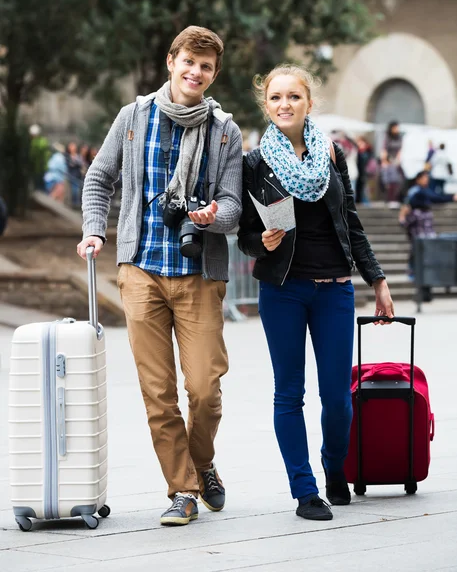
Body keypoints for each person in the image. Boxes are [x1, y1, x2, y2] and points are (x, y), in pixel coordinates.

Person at [77, 26, 243, 527]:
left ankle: (202, 461)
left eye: (206, 67)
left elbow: (235, 207)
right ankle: (183, 489)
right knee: (158, 391)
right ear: (171, 62)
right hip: (141, 270)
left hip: (198, 273)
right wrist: (94, 231)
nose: (196, 72)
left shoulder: (224, 131)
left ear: (214, 74)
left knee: (205, 389)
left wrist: (213, 214)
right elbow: (100, 177)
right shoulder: (134, 118)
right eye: (188, 62)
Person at [237, 64, 394, 522]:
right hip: (282, 291)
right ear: (266, 105)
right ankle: (305, 491)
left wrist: (377, 280)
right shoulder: (254, 163)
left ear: (309, 102)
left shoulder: (331, 153)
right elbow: (245, 232)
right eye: (275, 98)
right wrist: (257, 242)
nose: (284, 104)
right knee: (289, 394)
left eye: (293, 96)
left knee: (338, 398)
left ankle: (333, 467)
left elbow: (350, 220)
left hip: (334, 291)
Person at [399, 170, 457, 298]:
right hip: (419, 237)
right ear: (418, 179)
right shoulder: (416, 193)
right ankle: (415, 277)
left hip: (426, 237)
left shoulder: (424, 196)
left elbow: (436, 198)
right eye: (424, 178)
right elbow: (407, 205)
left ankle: (423, 289)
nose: (427, 180)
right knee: (419, 260)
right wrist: (403, 218)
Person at [380, 121, 404, 207]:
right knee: (389, 182)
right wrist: (385, 161)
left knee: (397, 181)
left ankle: (395, 199)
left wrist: (398, 160)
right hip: (388, 162)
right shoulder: (387, 138)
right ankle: (390, 199)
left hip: (396, 162)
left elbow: (400, 149)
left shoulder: (399, 138)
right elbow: (384, 150)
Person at [66, 141, 84, 208]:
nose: (73, 148)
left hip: (77, 175)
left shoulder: (78, 156)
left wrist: (75, 162)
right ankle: (74, 203)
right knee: (74, 190)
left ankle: (76, 203)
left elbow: (80, 164)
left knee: (77, 190)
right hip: (71, 175)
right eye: (71, 146)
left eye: (74, 146)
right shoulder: (67, 156)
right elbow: (70, 164)